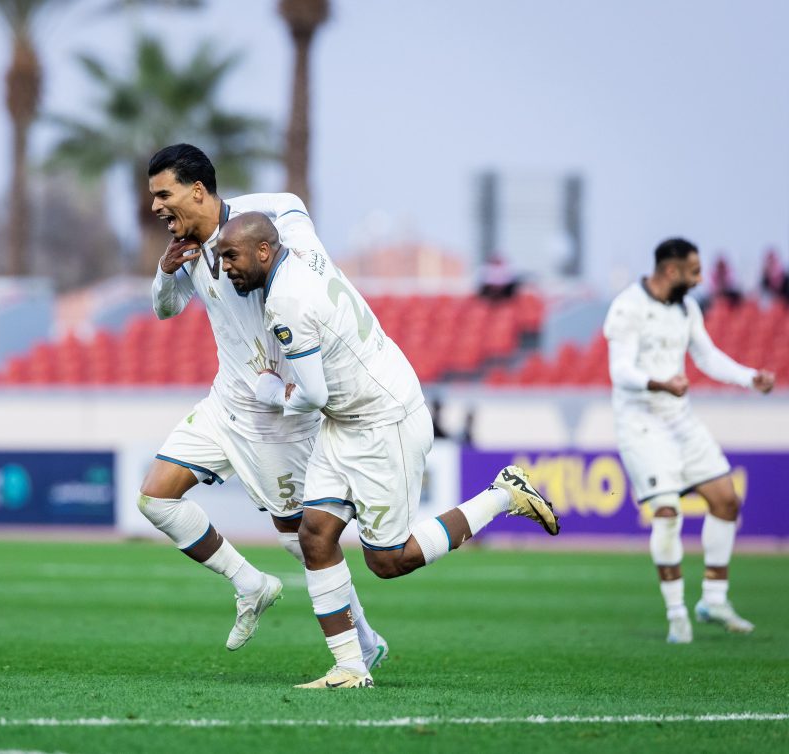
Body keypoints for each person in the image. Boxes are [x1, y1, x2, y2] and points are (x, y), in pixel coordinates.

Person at [216, 212, 559, 689]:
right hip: (347, 419)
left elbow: (311, 396)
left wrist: (272, 392)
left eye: (231, 255)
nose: (224, 267)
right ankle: (351, 666)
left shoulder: (286, 303)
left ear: (263, 251)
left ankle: (503, 495)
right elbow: (289, 204)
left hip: (383, 421)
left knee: (388, 561)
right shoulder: (307, 253)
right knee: (314, 536)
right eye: (220, 257)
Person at [140, 144, 388, 668]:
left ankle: (364, 642)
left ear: (198, 191)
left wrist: (258, 225)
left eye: (164, 194)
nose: (156, 206)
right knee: (155, 499)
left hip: (277, 417)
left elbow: (292, 203)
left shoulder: (256, 233)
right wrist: (164, 272)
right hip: (224, 403)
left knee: (303, 542)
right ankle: (250, 584)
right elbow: (165, 310)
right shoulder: (187, 250)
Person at [603, 238, 776, 644]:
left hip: (680, 419)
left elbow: (707, 356)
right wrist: (660, 383)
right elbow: (620, 370)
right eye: (694, 272)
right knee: (667, 512)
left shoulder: (686, 308)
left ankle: (714, 600)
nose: (699, 280)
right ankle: (677, 614)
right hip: (641, 423)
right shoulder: (628, 307)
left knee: (726, 500)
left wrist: (748, 377)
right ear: (671, 270)